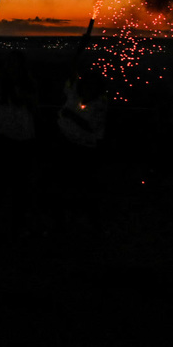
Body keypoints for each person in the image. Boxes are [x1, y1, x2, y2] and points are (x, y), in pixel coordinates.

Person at [52, 66, 109, 235]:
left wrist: (71, 115)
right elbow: (71, 72)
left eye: (92, 86)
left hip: (84, 150)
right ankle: (63, 221)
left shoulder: (100, 105)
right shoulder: (74, 95)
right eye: (86, 85)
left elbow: (92, 126)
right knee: (63, 183)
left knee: (84, 186)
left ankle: (89, 222)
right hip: (65, 144)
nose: (88, 89)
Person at [0, 50, 38, 235]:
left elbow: (34, 107)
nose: (12, 67)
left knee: (19, 182)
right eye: (10, 63)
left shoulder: (28, 85)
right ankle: (1, 218)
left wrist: (25, 98)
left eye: (15, 63)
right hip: (5, 136)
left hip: (21, 137)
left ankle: (16, 219)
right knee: (2, 180)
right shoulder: (2, 84)